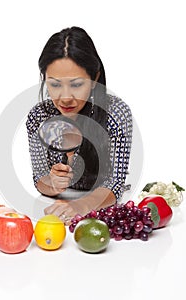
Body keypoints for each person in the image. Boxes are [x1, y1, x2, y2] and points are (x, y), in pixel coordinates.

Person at [26, 26, 132, 224]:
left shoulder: (116, 113)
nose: (65, 97)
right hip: (53, 214)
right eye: (55, 84)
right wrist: (52, 184)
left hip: (99, 215)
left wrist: (79, 206)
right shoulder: (38, 117)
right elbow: (39, 179)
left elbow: (115, 183)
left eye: (76, 84)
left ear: (94, 80)